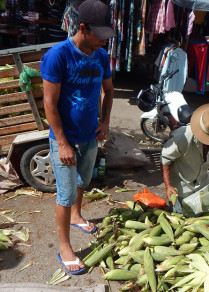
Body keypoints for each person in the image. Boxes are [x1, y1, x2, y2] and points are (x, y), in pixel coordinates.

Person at [40, 0, 116, 274]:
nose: (103, 43)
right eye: (99, 36)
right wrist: (62, 142)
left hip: (90, 135)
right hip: (66, 138)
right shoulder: (58, 56)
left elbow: (109, 90)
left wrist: (105, 121)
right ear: (82, 28)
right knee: (65, 192)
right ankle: (65, 247)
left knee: (84, 180)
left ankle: (76, 215)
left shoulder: (102, 57)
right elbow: (49, 103)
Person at [161, 103, 209, 213]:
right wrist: (168, 186)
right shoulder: (183, 137)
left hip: (202, 181)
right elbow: (165, 160)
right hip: (181, 184)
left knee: (206, 213)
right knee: (181, 216)